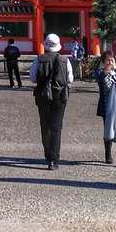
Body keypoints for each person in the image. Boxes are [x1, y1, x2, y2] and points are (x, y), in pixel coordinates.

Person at [30, 33, 74, 170]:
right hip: (60, 96)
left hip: (43, 96)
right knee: (56, 128)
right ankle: (54, 160)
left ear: (46, 44)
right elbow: (70, 79)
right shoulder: (65, 60)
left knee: (45, 126)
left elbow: (32, 77)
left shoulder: (39, 59)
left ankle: (48, 155)